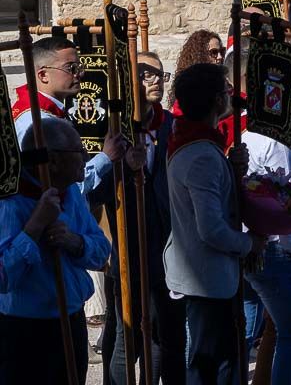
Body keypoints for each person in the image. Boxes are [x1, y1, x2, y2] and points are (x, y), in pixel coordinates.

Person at [163, 63, 263, 385]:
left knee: (223, 363)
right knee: (209, 367)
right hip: (206, 278)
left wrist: (234, 172)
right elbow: (211, 229)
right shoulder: (202, 154)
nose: (231, 97)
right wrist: (250, 244)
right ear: (217, 100)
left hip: (207, 275)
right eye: (226, 92)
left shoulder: (197, 142)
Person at [91, 51, 184, 385]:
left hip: (167, 241)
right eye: (146, 74)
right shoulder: (112, 127)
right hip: (128, 241)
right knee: (127, 337)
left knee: (162, 334)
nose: (156, 80)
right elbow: (91, 191)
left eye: (161, 74)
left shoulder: (171, 124)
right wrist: (124, 168)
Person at [0, 117, 111, 385]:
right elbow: (3, 278)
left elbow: (101, 250)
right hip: (26, 331)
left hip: (69, 323)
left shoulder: (69, 191)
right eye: (78, 151)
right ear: (52, 161)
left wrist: (75, 242)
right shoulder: (11, 202)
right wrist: (35, 226)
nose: (86, 156)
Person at [240, 123, 291, 385]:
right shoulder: (275, 141)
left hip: (248, 240)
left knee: (246, 331)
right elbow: (284, 199)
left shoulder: (248, 134)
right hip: (273, 246)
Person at [13, 36, 127, 198]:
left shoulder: (48, 112)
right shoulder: (36, 122)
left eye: (79, 67)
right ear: (43, 75)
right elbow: (68, 187)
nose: (80, 74)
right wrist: (106, 158)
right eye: (70, 68)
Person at [167, 30, 224, 109]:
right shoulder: (188, 84)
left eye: (222, 51)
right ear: (200, 55)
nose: (220, 57)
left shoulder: (223, 80)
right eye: (214, 52)